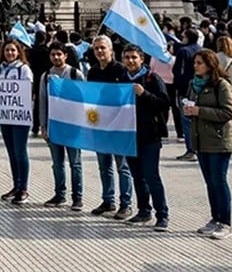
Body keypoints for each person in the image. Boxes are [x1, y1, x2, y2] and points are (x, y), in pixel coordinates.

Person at [184, 49, 232, 240]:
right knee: (210, 182)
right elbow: (191, 104)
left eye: (200, 63)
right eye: (195, 63)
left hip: (218, 141)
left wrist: (200, 111)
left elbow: (228, 112)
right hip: (201, 140)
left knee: (219, 180)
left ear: (210, 64)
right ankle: (215, 218)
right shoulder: (194, 84)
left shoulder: (221, 85)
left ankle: (226, 222)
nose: (196, 66)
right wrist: (188, 109)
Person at [121, 45, 170, 231]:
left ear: (141, 59)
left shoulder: (152, 78)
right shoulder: (122, 79)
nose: (130, 61)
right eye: (127, 57)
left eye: (134, 57)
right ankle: (143, 210)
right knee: (137, 176)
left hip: (150, 136)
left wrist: (144, 94)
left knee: (151, 176)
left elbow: (164, 103)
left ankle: (162, 215)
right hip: (129, 136)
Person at [87, 35, 133, 220]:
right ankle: (108, 200)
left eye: (103, 48)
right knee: (104, 165)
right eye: (96, 48)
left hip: (119, 126)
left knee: (122, 166)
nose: (99, 51)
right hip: (100, 125)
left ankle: (126, 204)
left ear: (111, 50)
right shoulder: (92, 72)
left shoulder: (121, 70)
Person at [38, 42, 84, 211]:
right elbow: (43, 101)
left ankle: (77, 197)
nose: (56, 57)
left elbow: (84, 98)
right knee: (57, 163)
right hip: (54, 126)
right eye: (53, 54)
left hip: (72, 126)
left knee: (75, 163)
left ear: (65, 55)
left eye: (59, 54)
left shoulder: (75, 74)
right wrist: (43, 125)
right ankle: (59, 194)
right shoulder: (46, 76)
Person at [0, 39, 33, 205]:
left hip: (20, 116)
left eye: (13, 50)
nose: (10, 53)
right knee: (11, 152)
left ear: (19, 52)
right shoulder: (0, 69)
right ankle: (16, 185)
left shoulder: (23, 69)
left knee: (20, 151)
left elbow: (28, 90)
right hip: (5, 115)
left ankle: (23, 188)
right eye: (7, 50)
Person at [174, 28, 202, 161]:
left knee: (186, 120)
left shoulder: (183, 51)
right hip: (201, 88)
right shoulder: (202, 50)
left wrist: (178, 87)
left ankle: (191, 150)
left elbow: (178, 71)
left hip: (186, 90)